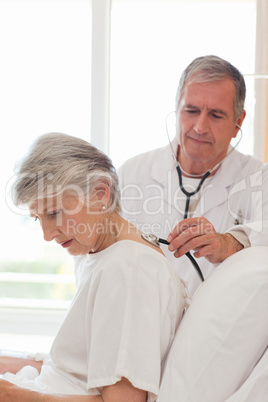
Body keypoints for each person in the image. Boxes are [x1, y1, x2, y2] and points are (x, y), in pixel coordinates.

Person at [0, 133, 189, 401]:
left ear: (101, 193)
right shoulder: (105, 255)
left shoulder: (128, 270)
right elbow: (75, 370)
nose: (47, 234)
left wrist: (11, 395)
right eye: (37, 218)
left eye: (54, 213)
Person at [118, 55, 268, 296]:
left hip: (217, 328)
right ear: (177, 106)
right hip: (145, 324)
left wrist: (228, 243)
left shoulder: (258, 179)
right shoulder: (131, 174)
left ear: (238, 122)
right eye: (191, 110)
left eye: (216, 115)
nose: (200, 127)